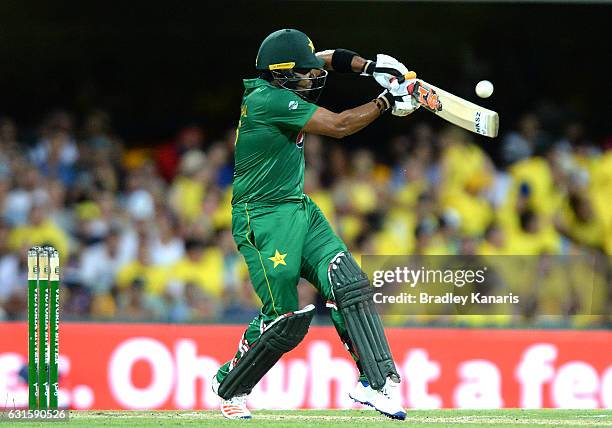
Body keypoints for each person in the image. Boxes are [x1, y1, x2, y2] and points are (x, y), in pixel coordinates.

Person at [211, 28, 434, 420]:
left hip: (298, 207)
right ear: (280, 74)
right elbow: (340, 125)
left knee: (348, 282)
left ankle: (376, 384)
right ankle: (229, 385)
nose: (311, 78)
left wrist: (373, 67)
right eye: (303, 73)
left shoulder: (282, 78)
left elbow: (326, 58)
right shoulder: (268, 99)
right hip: (261, 218)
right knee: (284, 319)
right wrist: (386, 100)